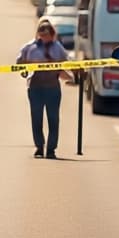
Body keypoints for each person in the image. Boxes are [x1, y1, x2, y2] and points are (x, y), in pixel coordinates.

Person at [17, 17, 73, 158]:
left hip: (52, 87)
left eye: (47, 34)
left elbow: (67, 62)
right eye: (41, 34)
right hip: (35, 87)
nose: (44, 37)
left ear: (52, 34)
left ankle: (51, 149)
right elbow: (19, 62)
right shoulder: (30, 47)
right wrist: (23, 68)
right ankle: (39, 146)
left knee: (53, 119)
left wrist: (76, 72)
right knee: (36, 118)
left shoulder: (57, 48)